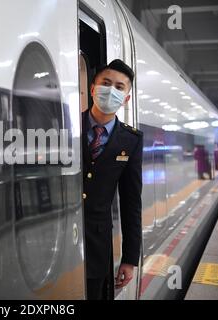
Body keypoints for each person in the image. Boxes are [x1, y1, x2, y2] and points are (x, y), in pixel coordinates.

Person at [82, 59, 143, 300]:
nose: (111, 90)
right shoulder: (67, 128)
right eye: (106, 83)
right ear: (93, 88)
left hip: (97, 245)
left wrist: (129, 259)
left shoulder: (131, 140)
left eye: (119, 87)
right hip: (59, 239)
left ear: (126, 98)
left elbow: (131, 203)